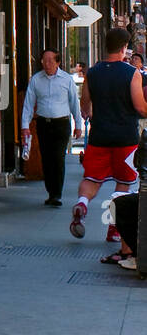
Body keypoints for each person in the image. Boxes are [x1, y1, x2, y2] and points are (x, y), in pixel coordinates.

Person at [70, 27, 147, 240]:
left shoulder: (93, 73)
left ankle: (82, 204)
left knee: (91, 179)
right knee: (123, 183)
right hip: (126, 138)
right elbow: (140, 107)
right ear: (124, 48)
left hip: (99, 137)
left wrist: (91, 114)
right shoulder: (132, 73)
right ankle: (114, 229)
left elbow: (85, 105)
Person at [21, 49, 83, 207]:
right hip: (43, 123)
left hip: (61, 124)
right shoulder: (36, 80)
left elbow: (74, 102)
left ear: (58, 62)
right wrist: (25, 126)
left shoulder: (66, 79)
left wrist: (78, 124)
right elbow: (28, 104)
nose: (47, 64)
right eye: (44, 60)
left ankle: (57, 193)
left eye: (50, 60)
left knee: (58, 157)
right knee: (46, 159)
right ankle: (50, 191)